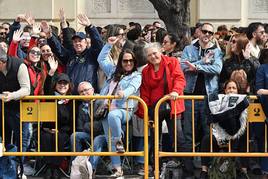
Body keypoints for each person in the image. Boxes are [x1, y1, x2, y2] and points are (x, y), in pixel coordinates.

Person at [136, 42, 186, 174]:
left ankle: (186, 169)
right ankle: (156, 169)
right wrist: (144, 112)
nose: (153, 57)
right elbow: (145, 91)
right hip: (154, 109)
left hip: (172, 104)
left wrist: (175, 91)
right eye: (149, 55)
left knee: (178, 137)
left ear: (161, 51)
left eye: (155, 53)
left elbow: (179, 78)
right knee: (155, 139)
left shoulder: (172, 62)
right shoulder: (146, 70)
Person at [180, 22, 223, 177]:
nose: (207, 35)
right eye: (204, 31)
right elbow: (183, 68)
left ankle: (207, 169)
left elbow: (217, 69)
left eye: (210, 33)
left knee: (208, 134)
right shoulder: (188, 49)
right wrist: (201, 62)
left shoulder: (216, 51)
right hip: (190, 97)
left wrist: (197, 67)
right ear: (198, 32)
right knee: (188, 134)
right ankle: (188, 170)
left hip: (209, 98)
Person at [97, 36, 142, 177]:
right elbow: (101, 60)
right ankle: (118, 169)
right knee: (110, 139)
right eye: (125, 60)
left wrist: (124, 93)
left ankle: (118, 139)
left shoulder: (136, 75)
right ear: (121, 62)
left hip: (123, 110)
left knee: (114, 120)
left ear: (134, 62)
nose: (128, 63)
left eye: (130, 61)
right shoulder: (113, 72)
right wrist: (108, 45)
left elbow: (133, 88)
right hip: (106, 108)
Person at [199, 80, 249, 179]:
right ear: (225, 90)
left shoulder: (242, 100)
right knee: (206, 139)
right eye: (229, 88)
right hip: (219, 132)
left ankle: (244, 171)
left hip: (236, 133)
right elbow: (210, 121)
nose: (231, 90)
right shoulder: (219, 100)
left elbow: (243, 123)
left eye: (234, 88)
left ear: (238, 91)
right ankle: (204, 171)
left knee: (244, 136)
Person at [44, 12, 103, 93]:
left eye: (80, 41)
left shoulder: (92, 55)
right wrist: (49, 36)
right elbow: (58, 49)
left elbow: (98, 44)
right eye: (75, 41)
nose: (77, 43)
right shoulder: (70, 55)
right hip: (71, 97)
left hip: (86, 96)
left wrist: (90, 27)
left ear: (86, 42)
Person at [41, 73, 73, 179]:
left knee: (57, 137)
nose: (62, 85)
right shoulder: (51, 96)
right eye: (60, 83)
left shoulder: (72, 100)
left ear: (69, 86)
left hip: (63, 132)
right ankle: (49, 167)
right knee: (46, 137)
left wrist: (59, 130)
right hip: (47, 130)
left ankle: (55, 168)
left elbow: (71, 121)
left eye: (65, 83)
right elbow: (46, 88)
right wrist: (50, 74)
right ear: (55, 85)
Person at [0, 45, 31, 154]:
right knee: (2, 140)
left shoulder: (19, 65)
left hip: (20, 108)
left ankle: (19, 167)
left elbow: (26, 89)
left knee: (21, 139)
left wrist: (12, 96)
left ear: (2, 62)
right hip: (2, 108)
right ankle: (4, 168)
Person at [70, 81, 103, 157]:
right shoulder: (81, 106)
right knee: (75, 136)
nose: (84, 93)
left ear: (93, 90)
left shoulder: (101, 100)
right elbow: (79, 126)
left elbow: (100, 125)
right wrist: (87, 127)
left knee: (97, 140)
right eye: (81, 92)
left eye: (86, 90)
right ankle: (76, 165)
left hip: (102, 134)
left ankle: (92, 168)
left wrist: (87, 126)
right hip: (88, 134)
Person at [255, 48, 268, 178]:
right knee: (264, 141)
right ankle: (265, 171)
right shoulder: (263, 68)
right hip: (266, 110)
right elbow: (259, 90)